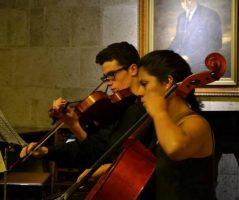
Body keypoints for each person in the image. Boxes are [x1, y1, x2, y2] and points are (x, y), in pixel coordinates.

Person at [82, 50, 215, 199]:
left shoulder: (196, 123)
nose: (139, 92)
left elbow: (175, 148)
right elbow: (159, 170)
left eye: (144, 84)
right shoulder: (164, 123)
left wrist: (159, 112)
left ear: (167, 82)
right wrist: (111, 169)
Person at [19, 42, 152, 170]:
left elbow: (112, 158)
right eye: (106, 77)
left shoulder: (146, 108)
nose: (108, 83)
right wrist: (46, 150)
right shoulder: (117, 109)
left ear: (133, 69)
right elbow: (95, 150)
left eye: (112, 75)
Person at [169, 0, 222, 73]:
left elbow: (215, 44)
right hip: (182, 63)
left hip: (202, 64)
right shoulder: (181, 17)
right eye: (182, 1)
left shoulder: (210, 15)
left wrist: (190, 58)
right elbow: (177, 39)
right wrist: (167, 54)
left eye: (188, 0)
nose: (185, 3)